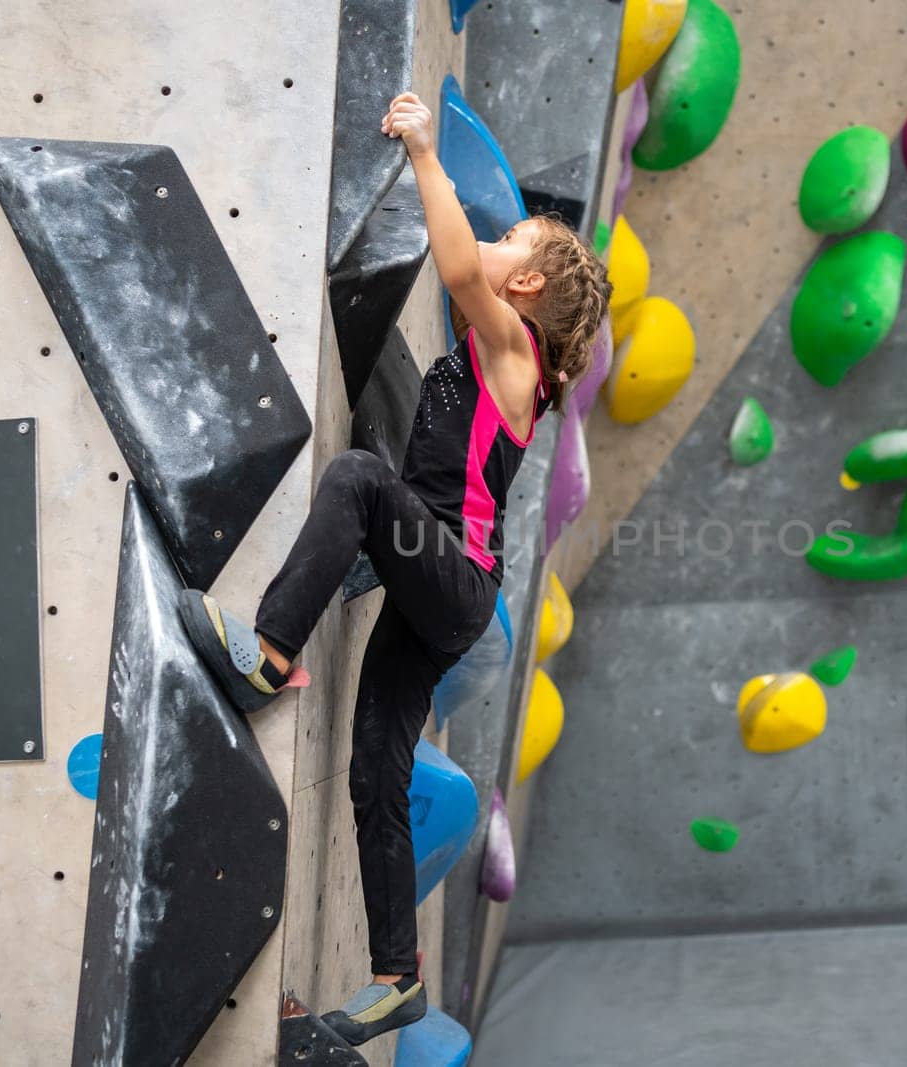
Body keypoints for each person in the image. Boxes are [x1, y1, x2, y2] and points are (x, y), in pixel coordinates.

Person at [177, 90, 611, 1044]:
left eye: (515, 247)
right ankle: (398, 976)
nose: (496, 248)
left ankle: (265, 657)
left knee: (361, 480)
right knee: (376, 769)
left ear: (529, 289)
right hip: (443, 590)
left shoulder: (516, 350)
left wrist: (425, 153)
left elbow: (458, 265)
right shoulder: (508, 355)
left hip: (451, 572)